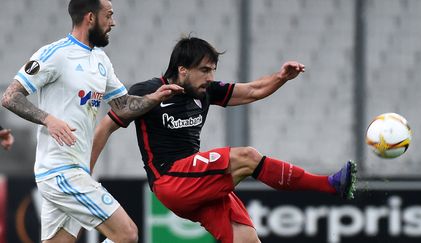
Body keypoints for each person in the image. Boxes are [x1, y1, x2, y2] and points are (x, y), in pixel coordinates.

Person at [91, 37, 357, 243]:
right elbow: (106, 126)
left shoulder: (205, 91)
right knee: (247, 157)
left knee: (246, 239)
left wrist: (281, 78)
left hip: (197, 182)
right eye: (204, 70)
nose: (211, 77)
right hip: (169, 180)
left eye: (213, 70)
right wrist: (84, 172)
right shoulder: (149, 91)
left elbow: (252, 90)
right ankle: (329, 185)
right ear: (182, 70)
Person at [1, 0, 182, 242]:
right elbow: (10, 96)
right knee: (127, 234)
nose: (113, 22)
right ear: (90, 17)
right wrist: (48, 120)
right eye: (108, 15)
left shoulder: (101, 60)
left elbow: (123, 106)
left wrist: (153, 98)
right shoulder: (54, 54)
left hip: (76, 170)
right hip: (59, 172)